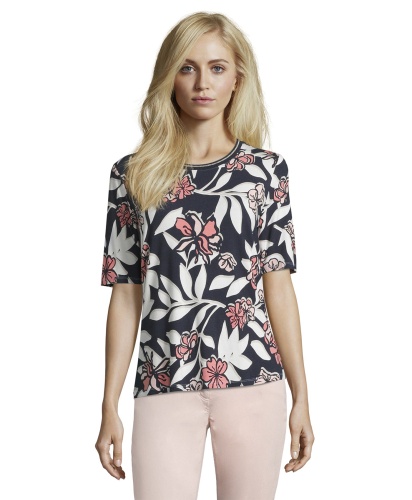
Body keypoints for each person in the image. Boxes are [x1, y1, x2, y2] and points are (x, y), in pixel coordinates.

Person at [95, 11, 314, 500]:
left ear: (238, 78)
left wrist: (302, 395)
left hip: (253, 379)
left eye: (217, 68)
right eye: (187, 67)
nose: (202, 83)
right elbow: (126, 295)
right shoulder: (132, 174)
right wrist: (109, 402)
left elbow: (278, 286)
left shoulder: (265, 173)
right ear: (169, 77)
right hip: (162, 382)